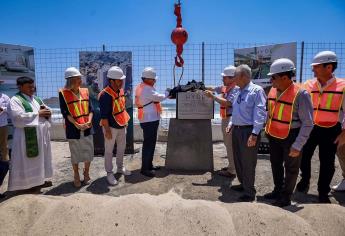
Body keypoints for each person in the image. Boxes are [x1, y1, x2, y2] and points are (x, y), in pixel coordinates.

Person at [264, 58, 314, 207]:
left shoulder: (301, 94)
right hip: (274, 135)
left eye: (273, 77)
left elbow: (308, 123)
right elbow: (270, 113)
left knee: (291, 168)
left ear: (285, 77)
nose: (271, 80)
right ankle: (277, 191)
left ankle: (285, 197)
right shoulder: (272, 90)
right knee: (276, 164)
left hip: (292, 136)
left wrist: (298, 145)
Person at [296, 51, 345, 203]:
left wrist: (344, 133)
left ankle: (322, 192)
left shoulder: (343, 86)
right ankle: (305, 180)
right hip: (310, 128)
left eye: (316, 67)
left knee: (327, 162)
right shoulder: (307, 85)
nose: (313, 70)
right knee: (303, 156)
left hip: (332, 130)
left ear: (329, 67)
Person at [226, 64, 267, 202]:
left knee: (248, 162)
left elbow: (260, 113)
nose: (233, 79)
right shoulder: (238, 90)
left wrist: (255, 134)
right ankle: (243, 184)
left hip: (248, 131)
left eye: (235, 76)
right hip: (237, 130)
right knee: (238, 160)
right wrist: (231, 124)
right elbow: (236, 111)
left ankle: (249, 192)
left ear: (243, 76)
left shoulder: (256, 91)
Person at [8, 76, 53, 192]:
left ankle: (40, 181)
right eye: (29, 87)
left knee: (41, 158)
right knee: (28, 161)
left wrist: (48, 112)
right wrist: (38, 114)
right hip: (26, 136)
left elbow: (46, 109)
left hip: (40, 134)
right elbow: (17, 117)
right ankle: (27, 185)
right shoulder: (15, 100)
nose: (32, 89)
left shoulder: (37, 99)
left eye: (33, 86)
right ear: (20, 87)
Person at [59, 67, 94, 188]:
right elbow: (65, 113)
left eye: (80, 78)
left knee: (88, 151)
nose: (80, 81)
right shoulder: (63, 94)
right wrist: (77, 124)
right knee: (75, 153)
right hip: (73, 128)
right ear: (70, 80)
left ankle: (86, 172)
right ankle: (76, 174)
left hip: (87, 126)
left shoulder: (85, 91)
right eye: (77, 79)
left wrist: (89, 121)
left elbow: (91, 110)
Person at [99, 66, 131, 186]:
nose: (121, 82)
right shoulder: (105, 95)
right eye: (119, 80)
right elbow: (104, 116)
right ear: (111, 81)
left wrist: (125, 122)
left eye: (122, 80)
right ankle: (109, 172)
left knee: (121, 148)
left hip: (122, 125)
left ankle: (120, 167)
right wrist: (107, 131)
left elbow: (121, 108)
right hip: (110, 127)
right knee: (109, 151)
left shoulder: (120, 91)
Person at [204, 65, 239, 178]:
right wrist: (201, 86)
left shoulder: (236, 88)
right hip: (226, 118)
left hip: (231, 119)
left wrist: (213, 97)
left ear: (232, 78)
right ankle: (232, 166)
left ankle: (232, 170)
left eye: (224, 77)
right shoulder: (227, 87)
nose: (222, 79)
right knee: (228, 144)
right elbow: (214, 88)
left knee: (230, 145)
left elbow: (228, 103)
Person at [135, 67, 167, 177]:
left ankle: (149, 165)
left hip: (147, 119)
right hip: (150, 120)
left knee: (150, 143)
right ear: (148, 79)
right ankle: (145, 169)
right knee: (149, 144)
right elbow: (159, 97)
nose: (155, 81)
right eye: (154, 79)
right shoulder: (147, 89)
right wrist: (168, 92)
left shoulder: (142, 87)